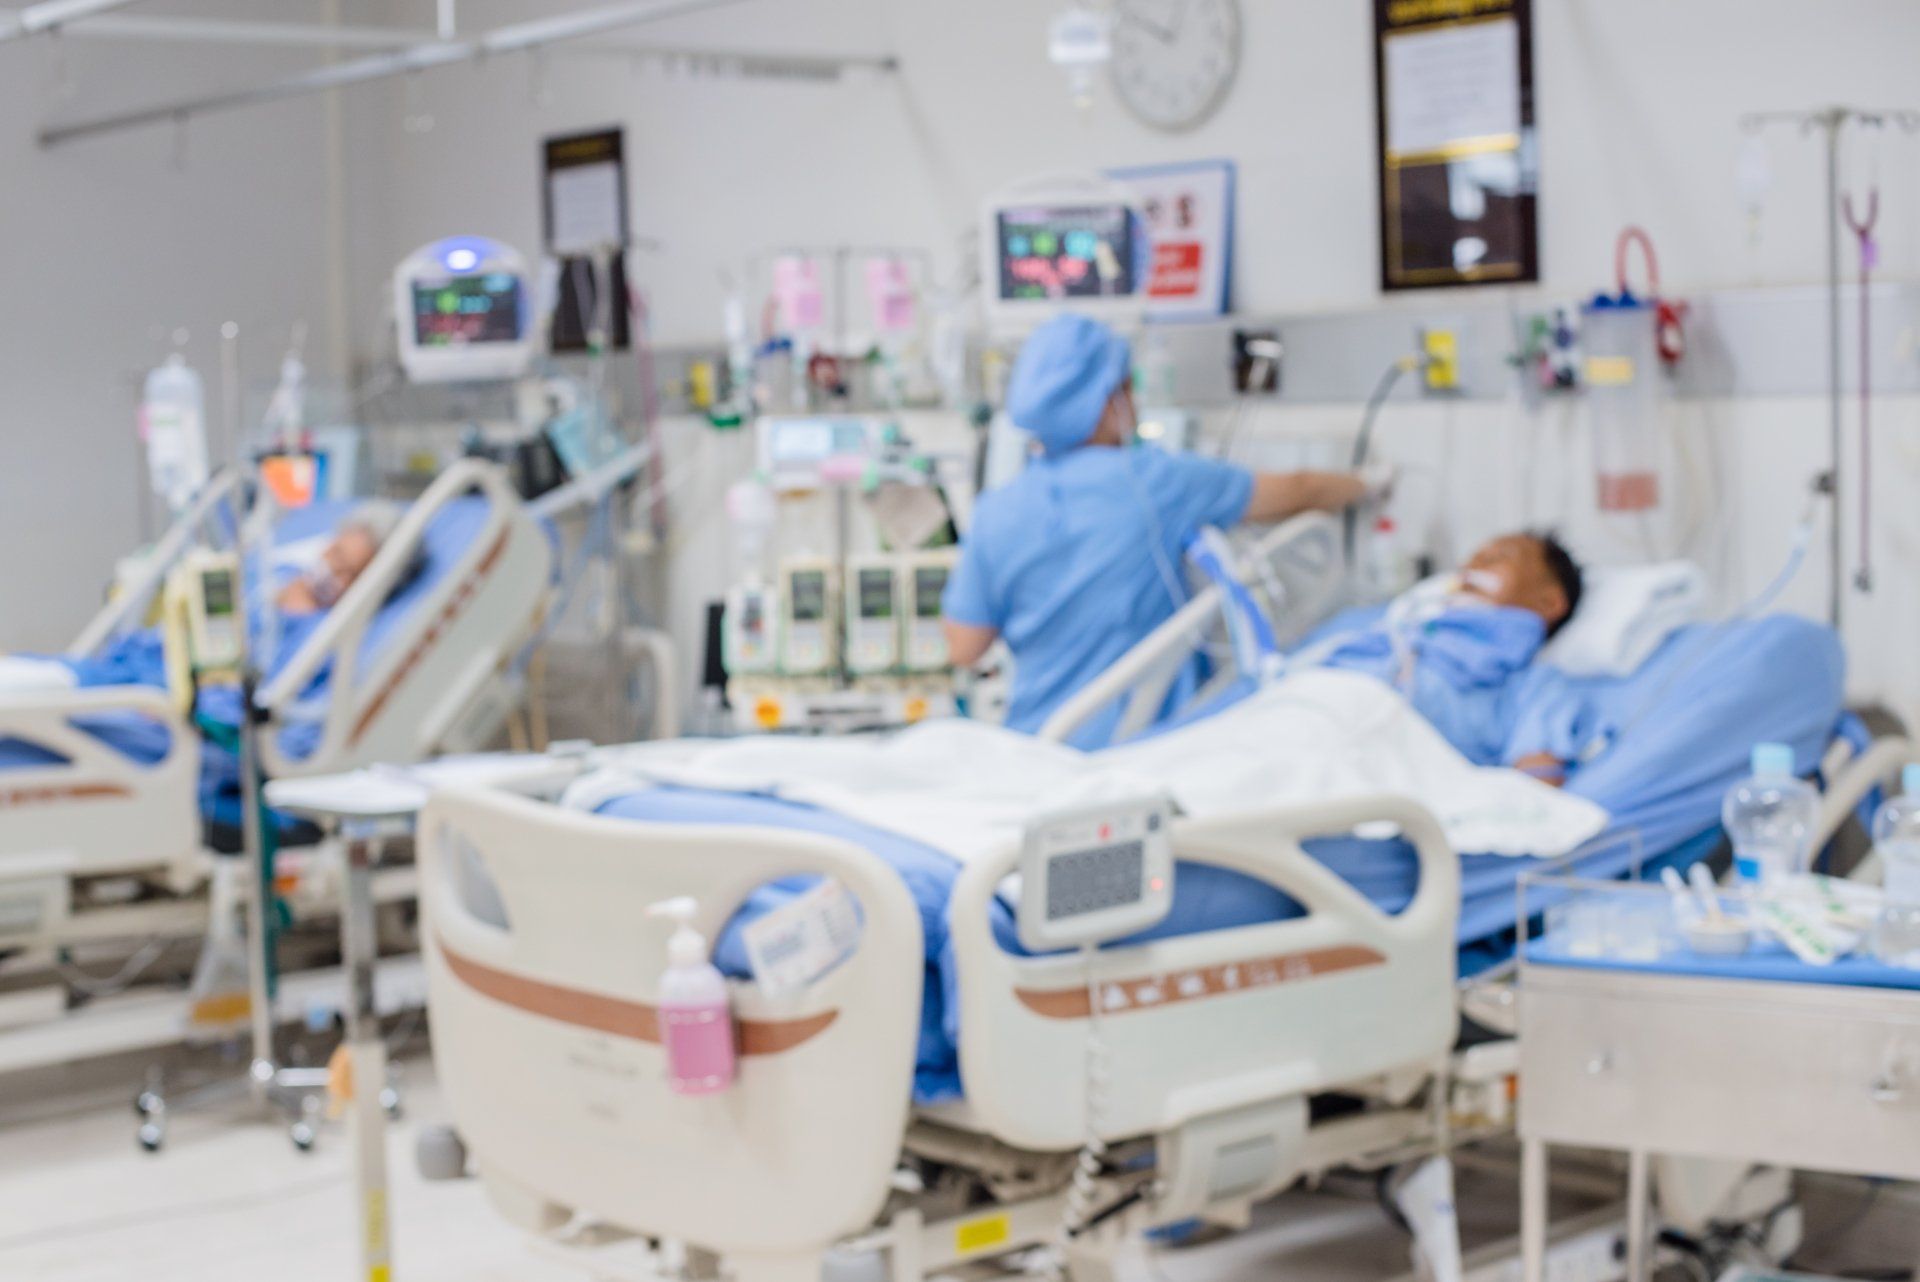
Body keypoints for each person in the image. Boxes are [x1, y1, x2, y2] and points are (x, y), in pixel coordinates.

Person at [942, 314, 1377, 749]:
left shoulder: (997, 509)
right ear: (1108, 401)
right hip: (1146, 749)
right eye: (1127, 389)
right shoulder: (1157, 481)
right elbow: (1298, 489)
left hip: (1039, 747)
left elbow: (965, 647)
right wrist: (1370, 483)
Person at [1314, 530, 1586, 783]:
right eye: (1475, 556)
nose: (1476, 563)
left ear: (1548, 602)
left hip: (1361, 781)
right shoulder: (1394, 634)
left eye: (1500, 557)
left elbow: (1538, 792)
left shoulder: (1536, 686)